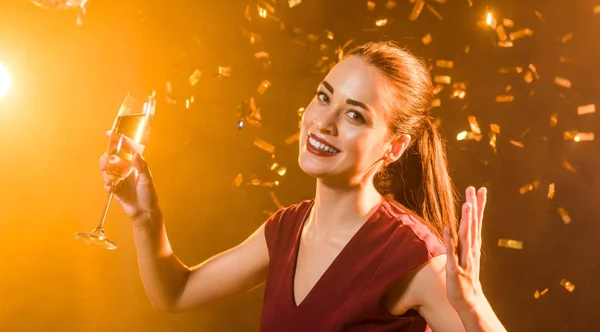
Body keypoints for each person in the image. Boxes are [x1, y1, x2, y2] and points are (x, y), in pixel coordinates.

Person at [100, 41, 506, 331]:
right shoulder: (287, 228)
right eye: (324, 97)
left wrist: (472, 306)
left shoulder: (414, 256)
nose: (323, 122)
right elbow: (175, 294)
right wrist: (143, 214)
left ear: (394, 147)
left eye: (355, 116)